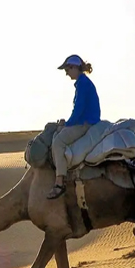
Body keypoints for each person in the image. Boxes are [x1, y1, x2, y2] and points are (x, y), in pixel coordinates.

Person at [47, 54, 101, 199]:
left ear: (74, 68)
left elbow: (79, 110)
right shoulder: (83, 83)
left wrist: (67, 125)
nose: (66, 73)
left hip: (86, 124)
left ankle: (59, 182)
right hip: (86, 121)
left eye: (67, 69)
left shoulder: (83, 84)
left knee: (58, 142)